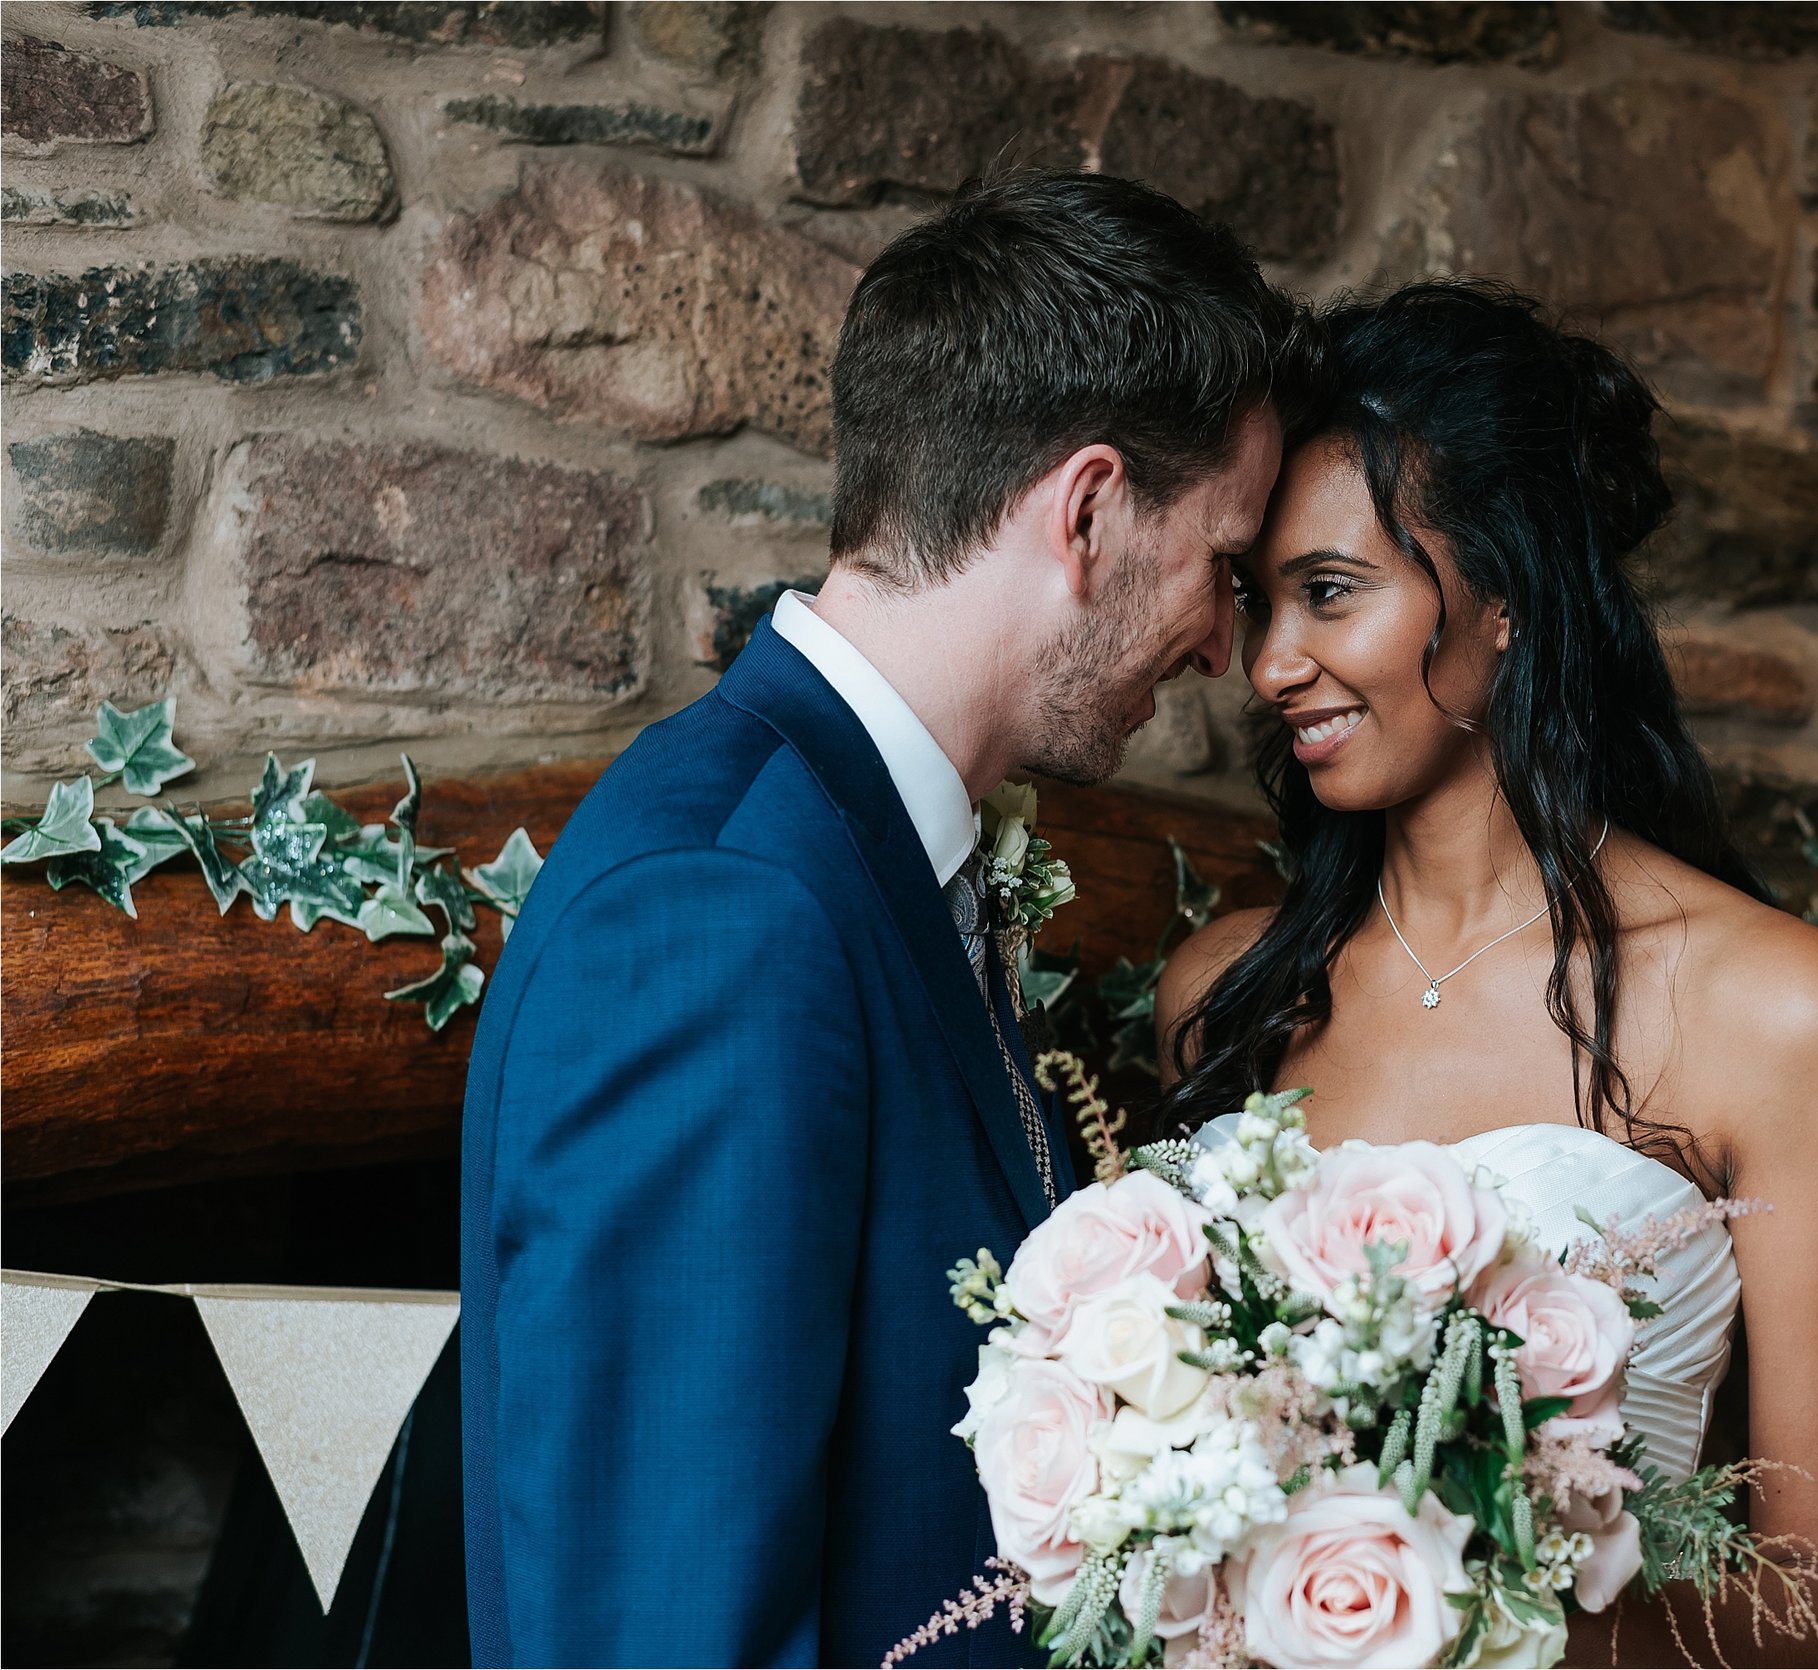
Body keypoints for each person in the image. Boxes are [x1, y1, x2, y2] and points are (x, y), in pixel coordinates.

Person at [461, 170, 1310, 1668]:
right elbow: (663, 1632)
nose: (1230, 644)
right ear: (1091, 509)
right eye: (1225, 565)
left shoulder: (886, 852)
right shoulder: (724, 913)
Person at [1157, 282, 1818, 1665]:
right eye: (1257, 601)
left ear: (1505, 596)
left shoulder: (1782, 1012)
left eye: (1330, 591)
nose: (1270, 662)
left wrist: (1468, 1627)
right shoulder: (1226, 990)